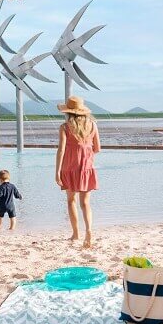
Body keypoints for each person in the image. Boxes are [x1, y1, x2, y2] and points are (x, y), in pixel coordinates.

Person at [55, 96, 100, 249]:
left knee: (71, 200)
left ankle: (76, 234)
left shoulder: (65, 127)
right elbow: (97, 148)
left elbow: (61, 150)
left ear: (68, 112)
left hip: (69, 168)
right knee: (86, 203)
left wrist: (57, 172)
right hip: (87, 168)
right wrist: (85, 152)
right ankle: (88, 230)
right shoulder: (93, 125)